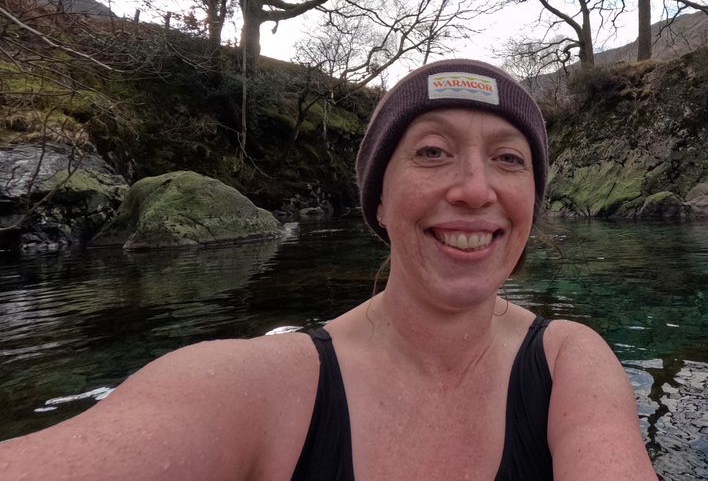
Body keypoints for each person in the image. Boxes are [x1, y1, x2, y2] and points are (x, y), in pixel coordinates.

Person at [0, 59, 658, 481]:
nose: (475, 189)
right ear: (378, 200)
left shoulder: (570, 362)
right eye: (433, 151)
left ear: (532, 201)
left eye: (509, 159)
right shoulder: (262, 387)